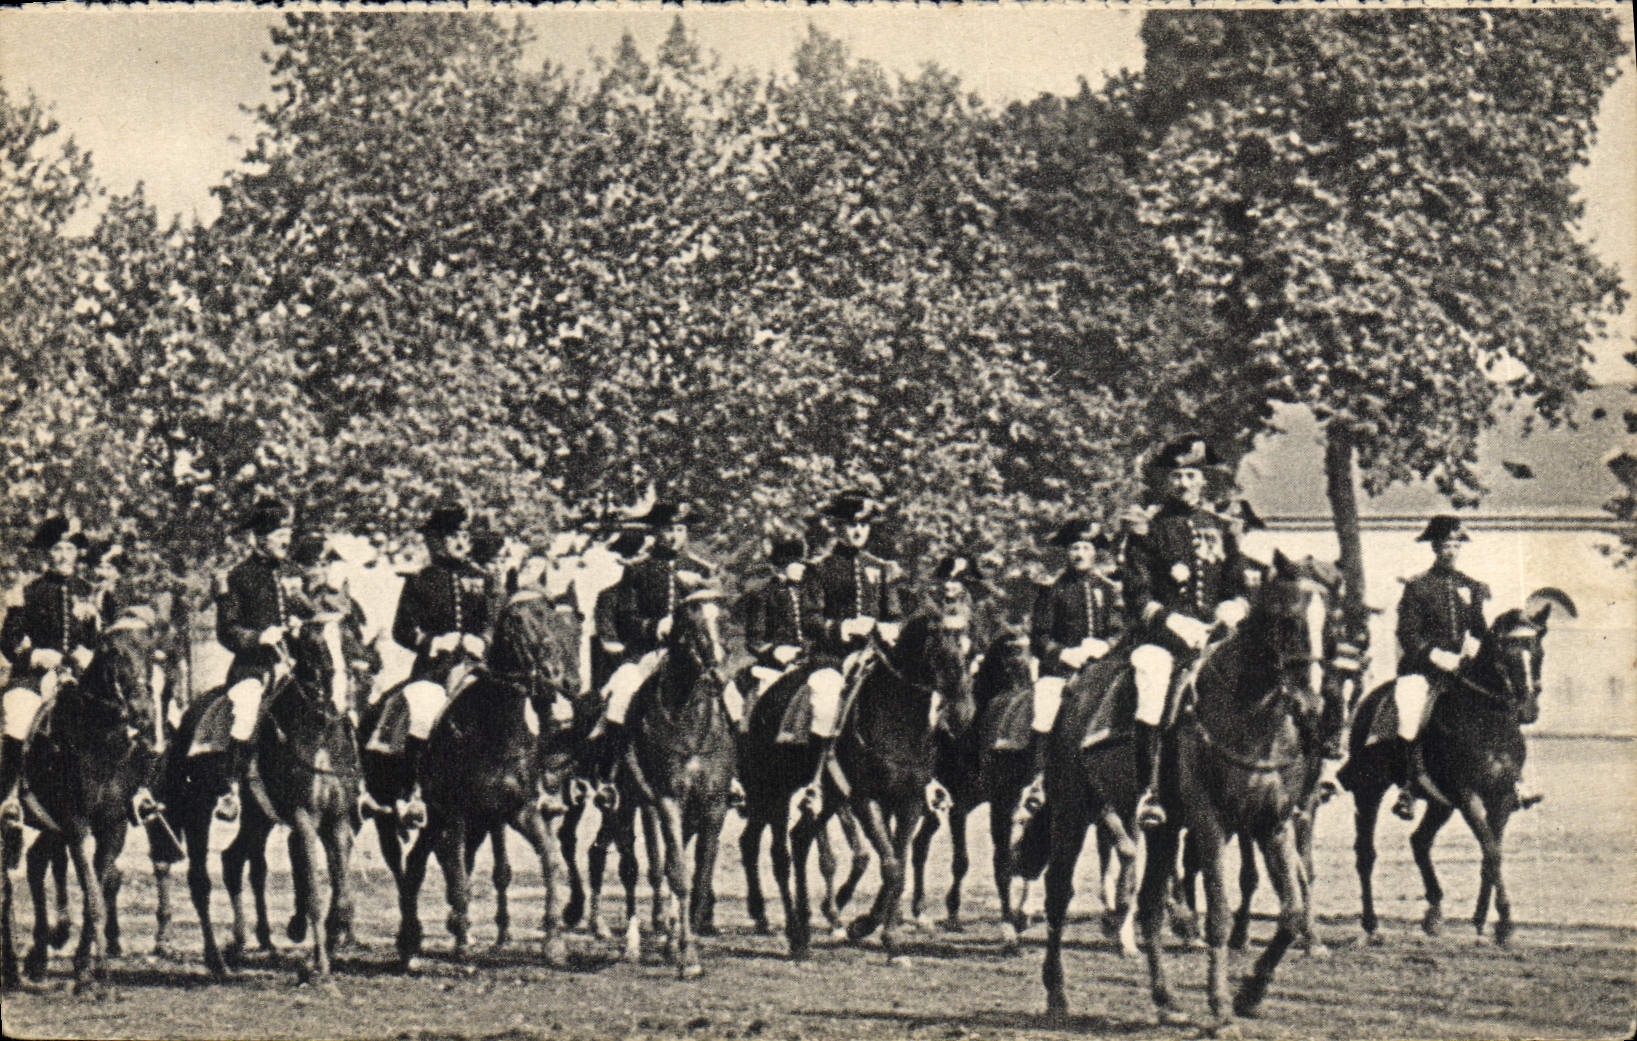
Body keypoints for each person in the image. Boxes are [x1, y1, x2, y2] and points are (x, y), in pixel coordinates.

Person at [1121, 435, 1251, 829]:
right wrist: (1173, 621)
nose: (1183, 483)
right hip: (1164, 641)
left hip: (1215, 638)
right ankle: (1151, 789)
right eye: (1176, 475)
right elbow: (1137, 593)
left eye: (1190, 475)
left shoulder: (1223, 528)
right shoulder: (1148, 529)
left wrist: (1233, 607)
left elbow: (1238, 585)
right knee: (1151, 682)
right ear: (1167, 481)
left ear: (1203, 480)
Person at [1389, 515, 1533, 819]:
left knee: (1500, 701)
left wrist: (1480, 648)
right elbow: (1407, 633)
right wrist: (1435, 655)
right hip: (1423, 670)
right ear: (1435, 548)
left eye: (1456, 545)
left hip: (1461, 670)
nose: (1450, 551)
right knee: (1410, 711)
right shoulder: (1418, 586)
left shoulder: (1471, 586)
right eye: (1445, 545)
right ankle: (1409, 787)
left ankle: (1516, 779)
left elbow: (1480, 629)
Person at [793, 490, 903, 812]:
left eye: (864, 524)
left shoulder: (880, 568)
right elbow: (809, 619)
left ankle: (918, 779)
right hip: (832, 658)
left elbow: (892, 614)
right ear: (837, 527)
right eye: (852, 524)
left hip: (874, 657)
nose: (858, 531)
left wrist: (889, 628)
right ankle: (814, 782)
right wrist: (842, 628)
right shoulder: (820, 568)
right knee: (826, 700)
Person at [386, 497, 492, 822]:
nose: (461, 541)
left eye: (464, 534)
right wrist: (433, 642)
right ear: (434, 541)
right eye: (451, 535)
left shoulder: (483, 578)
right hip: (434, 671)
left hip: (477, 668)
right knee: (423, 714)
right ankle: (412, 792)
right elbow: (401, 630)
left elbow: (493, 620)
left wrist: (483, 639)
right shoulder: (420, 581)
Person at [208, 495, 310, 822]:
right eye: (280, 536)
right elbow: (227, 630)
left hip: (289, 667)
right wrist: (257, 637)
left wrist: (301, 625)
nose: (286, 542)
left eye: (287, 536)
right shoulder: (239, 576)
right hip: (252, 669)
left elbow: (305, 614)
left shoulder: (289, 575)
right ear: (261, 539)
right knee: (246, 711)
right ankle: (230, 789)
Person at [589, 500, 716, 747]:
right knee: (622, 695)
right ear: (656, 533)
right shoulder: (639, 571)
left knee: (730, 699)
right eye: (667, 530)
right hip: (646, 654)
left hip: (694, 653)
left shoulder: (699, 570)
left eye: (679, 530)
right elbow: (626, 618)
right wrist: (654, 627)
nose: (672, 536)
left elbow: (710, 617)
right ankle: (607, 771)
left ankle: (733, 774)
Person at [1019, 519, 1123, 817]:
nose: (1079, 553)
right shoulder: (1052, 590)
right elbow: (1040, 638)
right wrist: (1065, 654)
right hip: (1062, 669)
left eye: (1085, 547)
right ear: (1067, 552)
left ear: (1094, 553)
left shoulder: (1108, 588)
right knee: (1046, 703)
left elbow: (1117, 629)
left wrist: (1106, 646)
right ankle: (1037, 780)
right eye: (1074, 548)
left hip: (1102, 666)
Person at [1, 517, 99, 829]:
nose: (63, 555)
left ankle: (136, 792)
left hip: (80, 676)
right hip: (34, 677)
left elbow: (99, 639)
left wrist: (89, 654)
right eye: (57, 548)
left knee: (116, 713)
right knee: (18, 717)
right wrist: (35, 655)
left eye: (69, 548)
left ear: (77, 553)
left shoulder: (90, 592)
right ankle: (11, 798)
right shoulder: (28, 593)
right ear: (47, 553)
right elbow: (9, 641)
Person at [727, 533, 819, 733]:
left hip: (811, 659)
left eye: (801, 562)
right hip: (776, 664)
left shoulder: (813, 593)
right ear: (781, 566)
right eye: (794, 562)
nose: (801, 567)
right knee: (761, 699)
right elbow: (755, 640)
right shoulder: (763, 594)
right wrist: (776, 652)